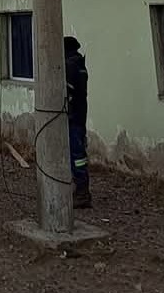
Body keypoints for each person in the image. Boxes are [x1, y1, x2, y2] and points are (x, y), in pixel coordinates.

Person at [65, 35, 91, 208]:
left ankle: (82, 192)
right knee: (77, 153)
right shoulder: (80, 65)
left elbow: (66, 90)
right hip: (79, 115)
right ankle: (79, 188)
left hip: (73, 117)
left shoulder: (70, 66)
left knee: (76, 154)